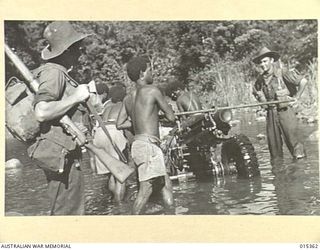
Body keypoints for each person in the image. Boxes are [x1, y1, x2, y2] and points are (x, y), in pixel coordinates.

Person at [30, 21, 91, 215]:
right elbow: (42, 111)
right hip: (62, 156)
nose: (80, 52)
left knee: (68, 210)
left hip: (65, 154)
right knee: (67, 213)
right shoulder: (54, 72)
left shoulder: (59, 72)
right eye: (76, 47)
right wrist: (76, 97)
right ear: (66, 50)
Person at [116, 56, 175, 215]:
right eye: (149, 69)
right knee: (144, 193)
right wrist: (158, 115)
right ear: (142, 73)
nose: (152, 73)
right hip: (150, 146)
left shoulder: (128, 98)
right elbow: (171, 117)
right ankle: (133, 227)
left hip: (137, 145)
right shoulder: (153, 90)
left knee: (165, 186)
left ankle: (174, 222)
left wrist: (139, 123)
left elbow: (119, 124)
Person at [252, 47, 307, 160]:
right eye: (260, 62)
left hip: (286, 113)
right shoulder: (260, 80)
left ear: (272, 60)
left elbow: (303, 81)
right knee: (274, 152)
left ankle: (300, 172)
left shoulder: (283, 73)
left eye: (265, 61)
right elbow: (256, 92)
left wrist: (297, 97)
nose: (262, 64)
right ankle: (278, 174)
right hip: (271, 115)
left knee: (297, 148)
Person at [92, 85, 128, 203]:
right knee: (121, 174)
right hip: (113, 132)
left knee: (110, 172)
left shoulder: (107, 107)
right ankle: (120, 205)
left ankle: (113, 201)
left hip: (99, 133)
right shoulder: (123, 105)